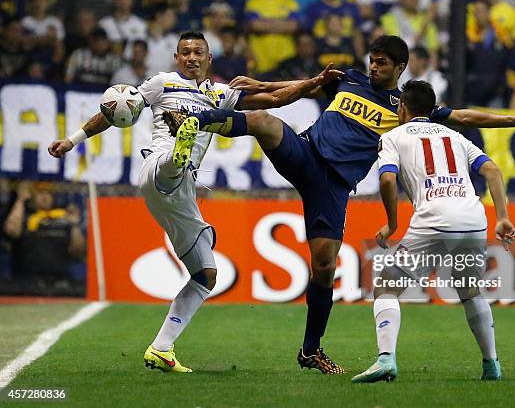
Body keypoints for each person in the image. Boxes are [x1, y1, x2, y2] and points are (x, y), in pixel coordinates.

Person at [165, 35, 515, 374]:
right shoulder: (350, 79)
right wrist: (262, 83)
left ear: (400, 67)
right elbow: (312, 85)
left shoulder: (407, 107)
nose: (373, 66)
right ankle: (195, 119)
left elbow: (466, 116)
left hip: (332, 187)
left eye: (382, 62)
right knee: (265, 120)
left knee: (324, 267)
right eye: (371, 59)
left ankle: (310, 350)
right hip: (307, 152)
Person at [48, 30, 342, 373]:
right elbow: (115, 112)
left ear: (208, 58)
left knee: (206, 275)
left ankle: (161, 348)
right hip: (157, 168)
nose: (191, 57)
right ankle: (181, 145)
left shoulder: (220, 94)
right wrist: (73, 140)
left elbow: (274, 99)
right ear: (176, 58)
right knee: (174, 162)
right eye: (185, 52)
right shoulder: (162, 82)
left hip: (181, 194)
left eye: (197, 52)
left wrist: (315, 81)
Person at [351, 80, 515, 383]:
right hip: (473, 218)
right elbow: (491, 169)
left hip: (435, 219)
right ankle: (492, 365)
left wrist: (392, 223)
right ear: (432, 109)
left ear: (402, 107)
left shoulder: (393, 136)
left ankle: (385, 359)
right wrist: (502, 217)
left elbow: (387, 180)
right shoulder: (455, 136)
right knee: (470, 290)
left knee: (386, 287)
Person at [3, 181, 86, 295]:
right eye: (40, 193)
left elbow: (78, 252)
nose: (45, 197)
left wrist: (75, 226)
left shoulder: (64, 218)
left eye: (48, 193)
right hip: (25, 283)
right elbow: (11, 231)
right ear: (32, 196)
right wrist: (21, 200)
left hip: (60, 283)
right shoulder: (25, 217)